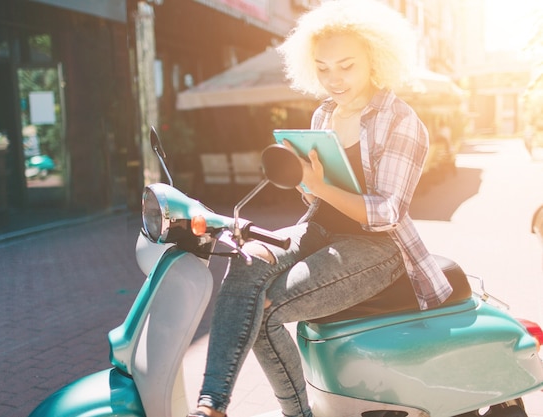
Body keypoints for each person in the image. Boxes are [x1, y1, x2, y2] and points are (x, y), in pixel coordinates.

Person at [188, 1, 453, 416]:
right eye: (323, 67)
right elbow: (316, 200)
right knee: (245, 259)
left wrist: (320, 186)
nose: (334, 79)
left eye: (346, 66)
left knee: (265, 308)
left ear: (375, 58)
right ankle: (212, 404)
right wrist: (307, 184)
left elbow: (386, 213)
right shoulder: (324, 113)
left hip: (377, 248)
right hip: (318, 229)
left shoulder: (401, 120)